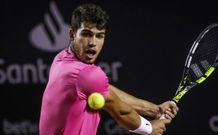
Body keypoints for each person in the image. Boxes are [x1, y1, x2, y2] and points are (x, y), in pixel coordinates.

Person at [39, 3, 179, 135]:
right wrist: (149, 128)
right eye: (86, 34)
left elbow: (106, 90)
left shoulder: (61, 58)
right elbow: (121, 112)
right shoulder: (86, 75)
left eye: (99, 36)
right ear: (72, 34)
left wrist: (154, 109)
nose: (93, 43)